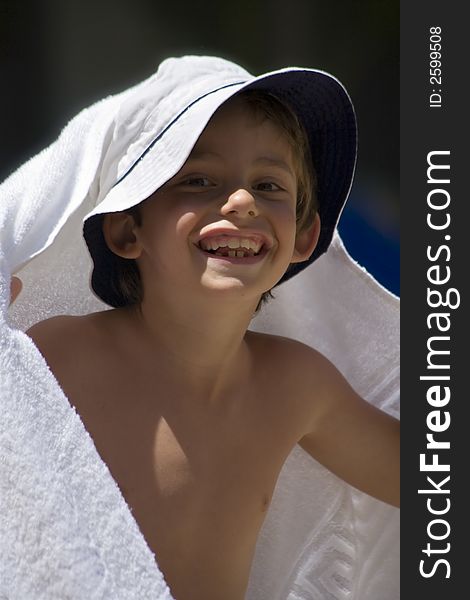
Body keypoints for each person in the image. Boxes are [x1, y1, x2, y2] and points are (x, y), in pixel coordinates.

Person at [9, 56, 399, 600]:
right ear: (126, 230)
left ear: (304, 238)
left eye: (269, 185)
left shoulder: (294, 385)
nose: (242, 202)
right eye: (198, 180)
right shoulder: (58, 359)